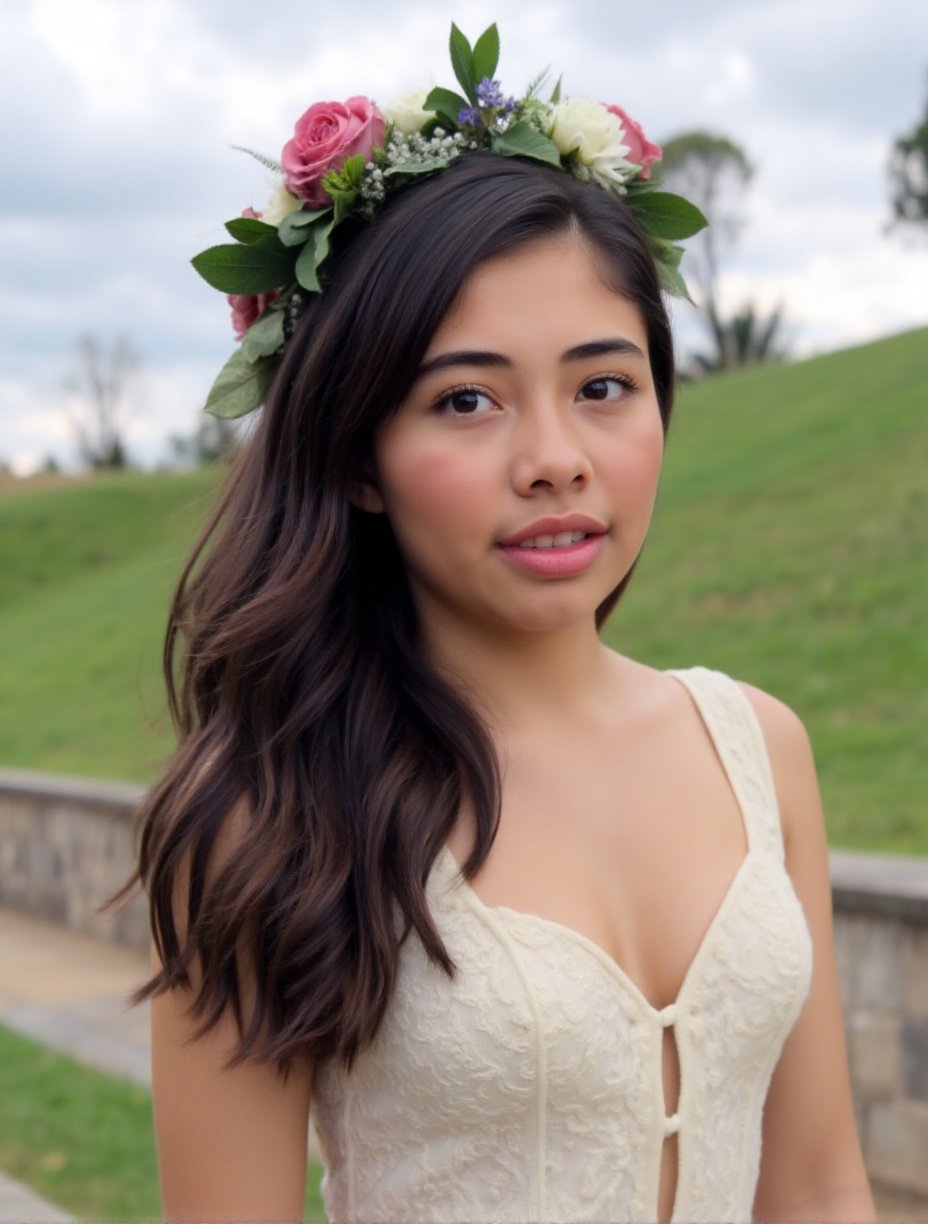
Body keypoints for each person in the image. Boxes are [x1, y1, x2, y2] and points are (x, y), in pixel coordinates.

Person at [115, 24, 876, 1224]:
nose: (555, 460)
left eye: (603, 386)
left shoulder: (758, 750)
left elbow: (823, 1188)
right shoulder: (270, 816)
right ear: (358, 456)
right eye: (465, 399)